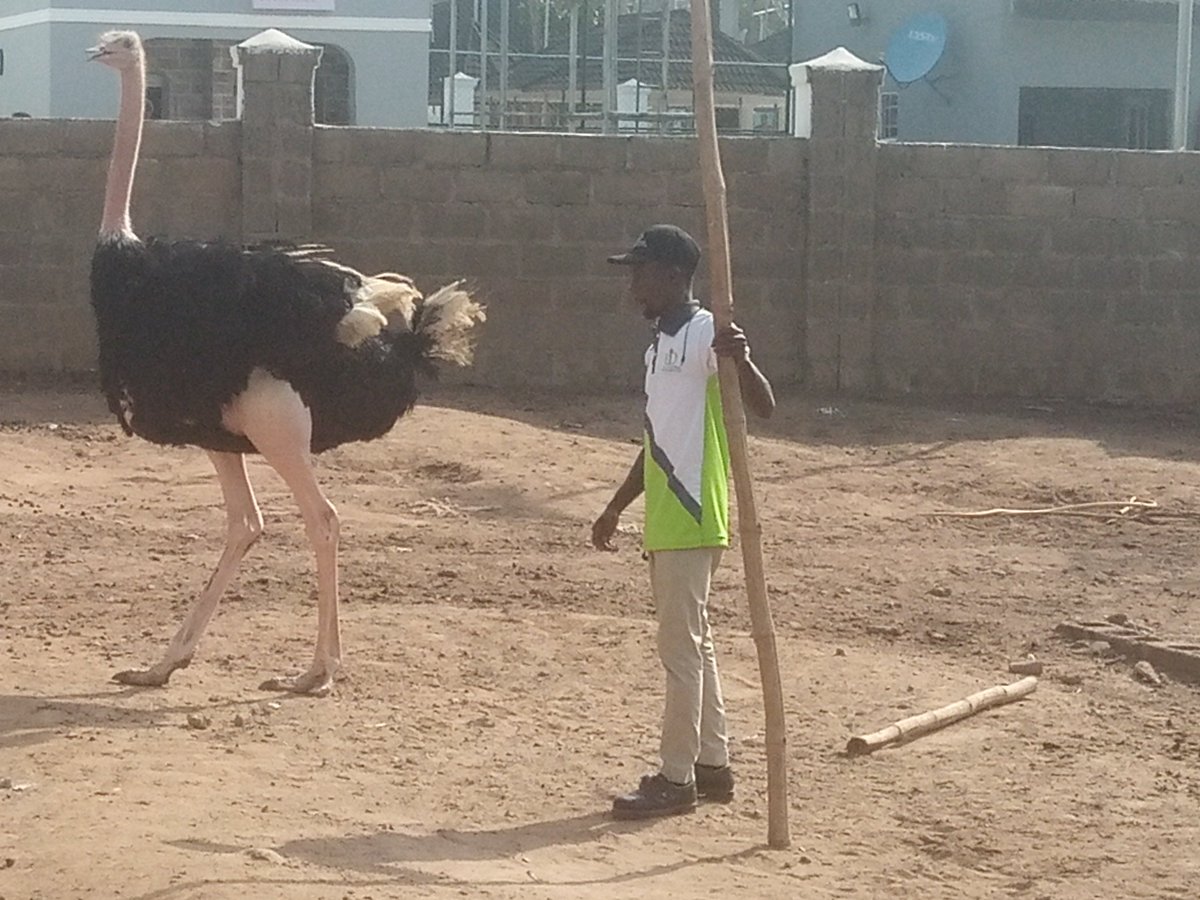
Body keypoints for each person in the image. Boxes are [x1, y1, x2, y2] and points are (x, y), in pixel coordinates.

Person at [593, 224, 775, 820]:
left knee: (680, 653)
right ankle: (712, 766)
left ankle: (675, 779)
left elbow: (764, 407)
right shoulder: (656, 348)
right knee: (698, 645)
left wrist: (740, 360)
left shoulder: (704, 335)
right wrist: (618, 505)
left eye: (639, 272)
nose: (631, 285)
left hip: (694, 512)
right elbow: (657, 441)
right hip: (669, 515)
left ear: (673, 275)